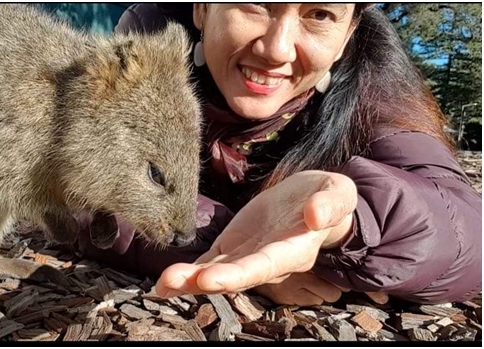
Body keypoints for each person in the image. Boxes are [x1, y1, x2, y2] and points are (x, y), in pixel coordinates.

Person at [73, 3, 482, 306]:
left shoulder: (375, 81)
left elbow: (467, 235)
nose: (277, 49)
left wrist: (350, 225)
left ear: (348, 34)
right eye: (255, 3)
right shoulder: (144, 46)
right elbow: (73, 177)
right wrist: (242, 258)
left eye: (320, 14)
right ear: (200, 8)